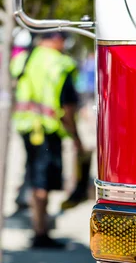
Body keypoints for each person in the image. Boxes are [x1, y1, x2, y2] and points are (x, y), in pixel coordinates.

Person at [11, 31, 84, 249]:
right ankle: (40, 231)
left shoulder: (24, 57)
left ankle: (38, 226)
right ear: (56, 39)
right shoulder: (60, 64)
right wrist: (76, 137)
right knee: (43, 181)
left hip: (26, 126)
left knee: (35, 176)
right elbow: (67, 106)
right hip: (47, 130)